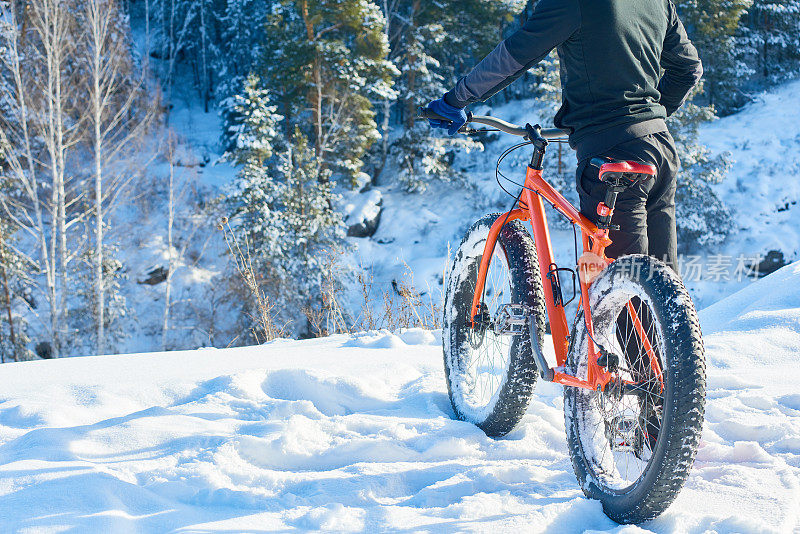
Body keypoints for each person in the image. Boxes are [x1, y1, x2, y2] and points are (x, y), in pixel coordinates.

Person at [425, 0, 702, 270]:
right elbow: (689, 69)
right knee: (663, 287)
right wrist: (647, 117)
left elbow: (515, 55)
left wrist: (456, 99)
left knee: (621, 293)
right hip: (660, 147)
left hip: (613, 152)